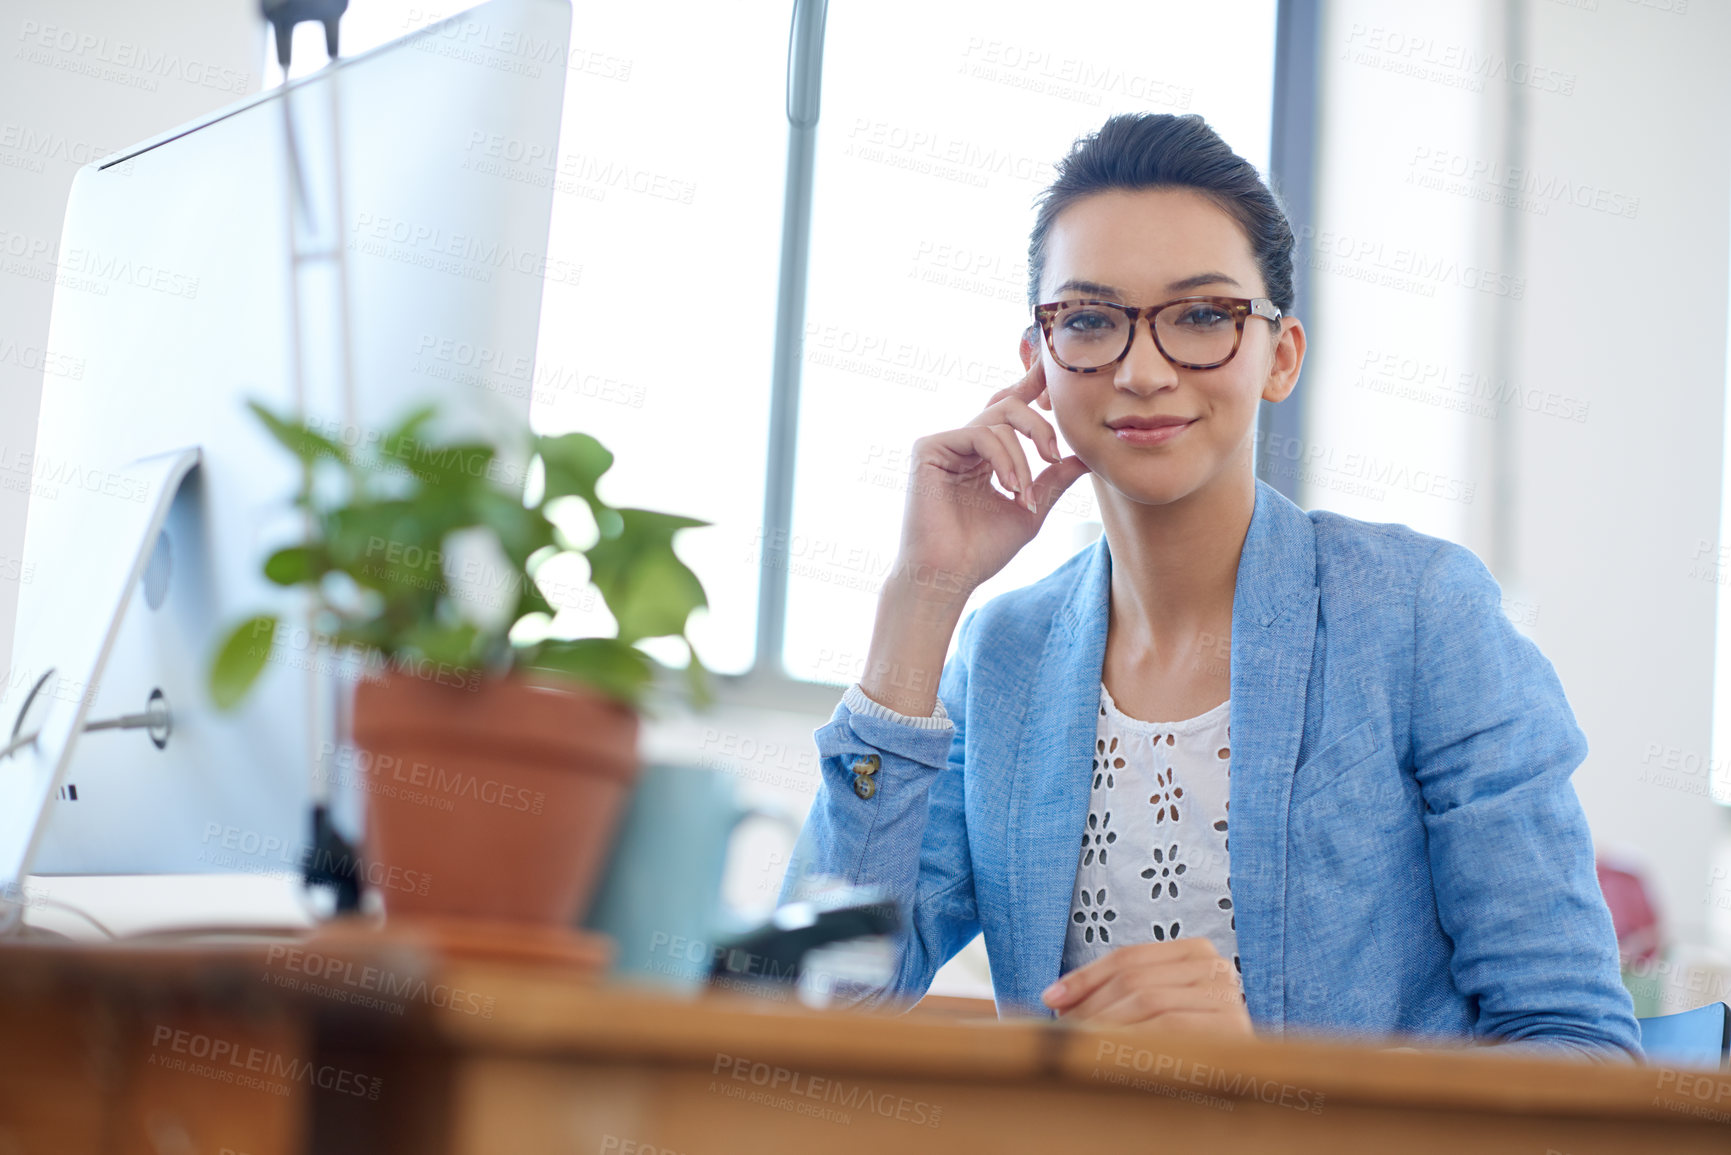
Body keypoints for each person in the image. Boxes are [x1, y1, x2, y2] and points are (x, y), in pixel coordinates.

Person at [779, 112, 1640, 1060]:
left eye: (1201, 316)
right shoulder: (1003, 660)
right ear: (1039, 362)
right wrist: (922, 597)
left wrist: (1267, 1089)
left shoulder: (1417, 615)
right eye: (1091, 320)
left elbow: (1580, 1051)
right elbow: (800, 1009)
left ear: (1280, 355)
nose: (1143, 371)